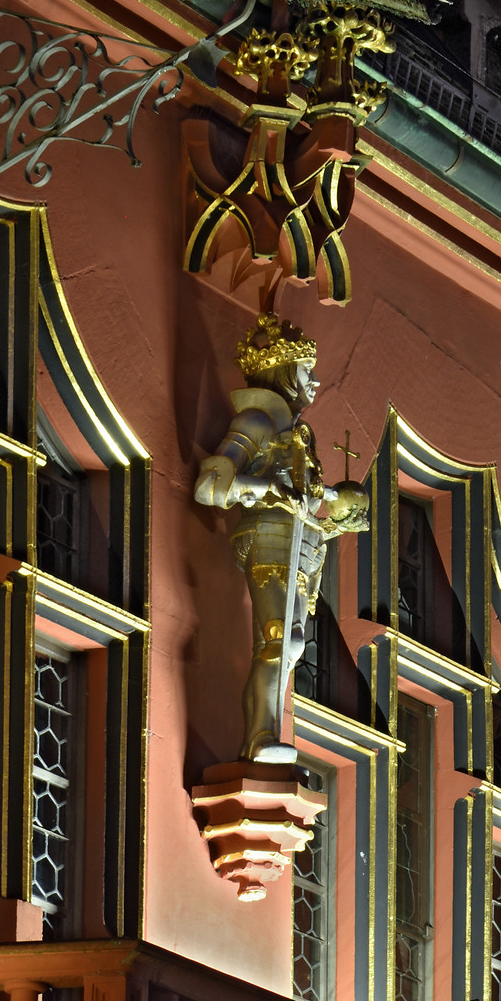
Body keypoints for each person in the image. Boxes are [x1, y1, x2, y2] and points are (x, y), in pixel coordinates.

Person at [194, 313, 364, 762]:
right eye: (306, 370)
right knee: (279, 641)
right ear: (284, 372)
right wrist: (266, 488)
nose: (315, 380)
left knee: (290, 647)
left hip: (301, 546)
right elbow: (210, 483)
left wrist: (337, 510)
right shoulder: (258, 420)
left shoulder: (298, 434)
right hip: (269, 537)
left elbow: (306, 498)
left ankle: (263, 735)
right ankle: (259, 739)